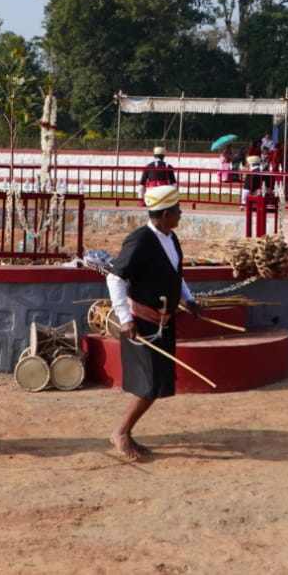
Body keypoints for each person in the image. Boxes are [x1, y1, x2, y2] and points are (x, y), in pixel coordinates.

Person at [106, 183, 203, 462]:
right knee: (149, 383)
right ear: (162, 214)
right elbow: (115, 278)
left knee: (158, 380)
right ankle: (121, 432)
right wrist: (124, 318)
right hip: (142, 322)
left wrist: (189, 299)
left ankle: (127, 431)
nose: (181, 214)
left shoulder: (171, 238)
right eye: (176, 210)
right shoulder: (139, 241)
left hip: (165, 322)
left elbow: (176, 273)